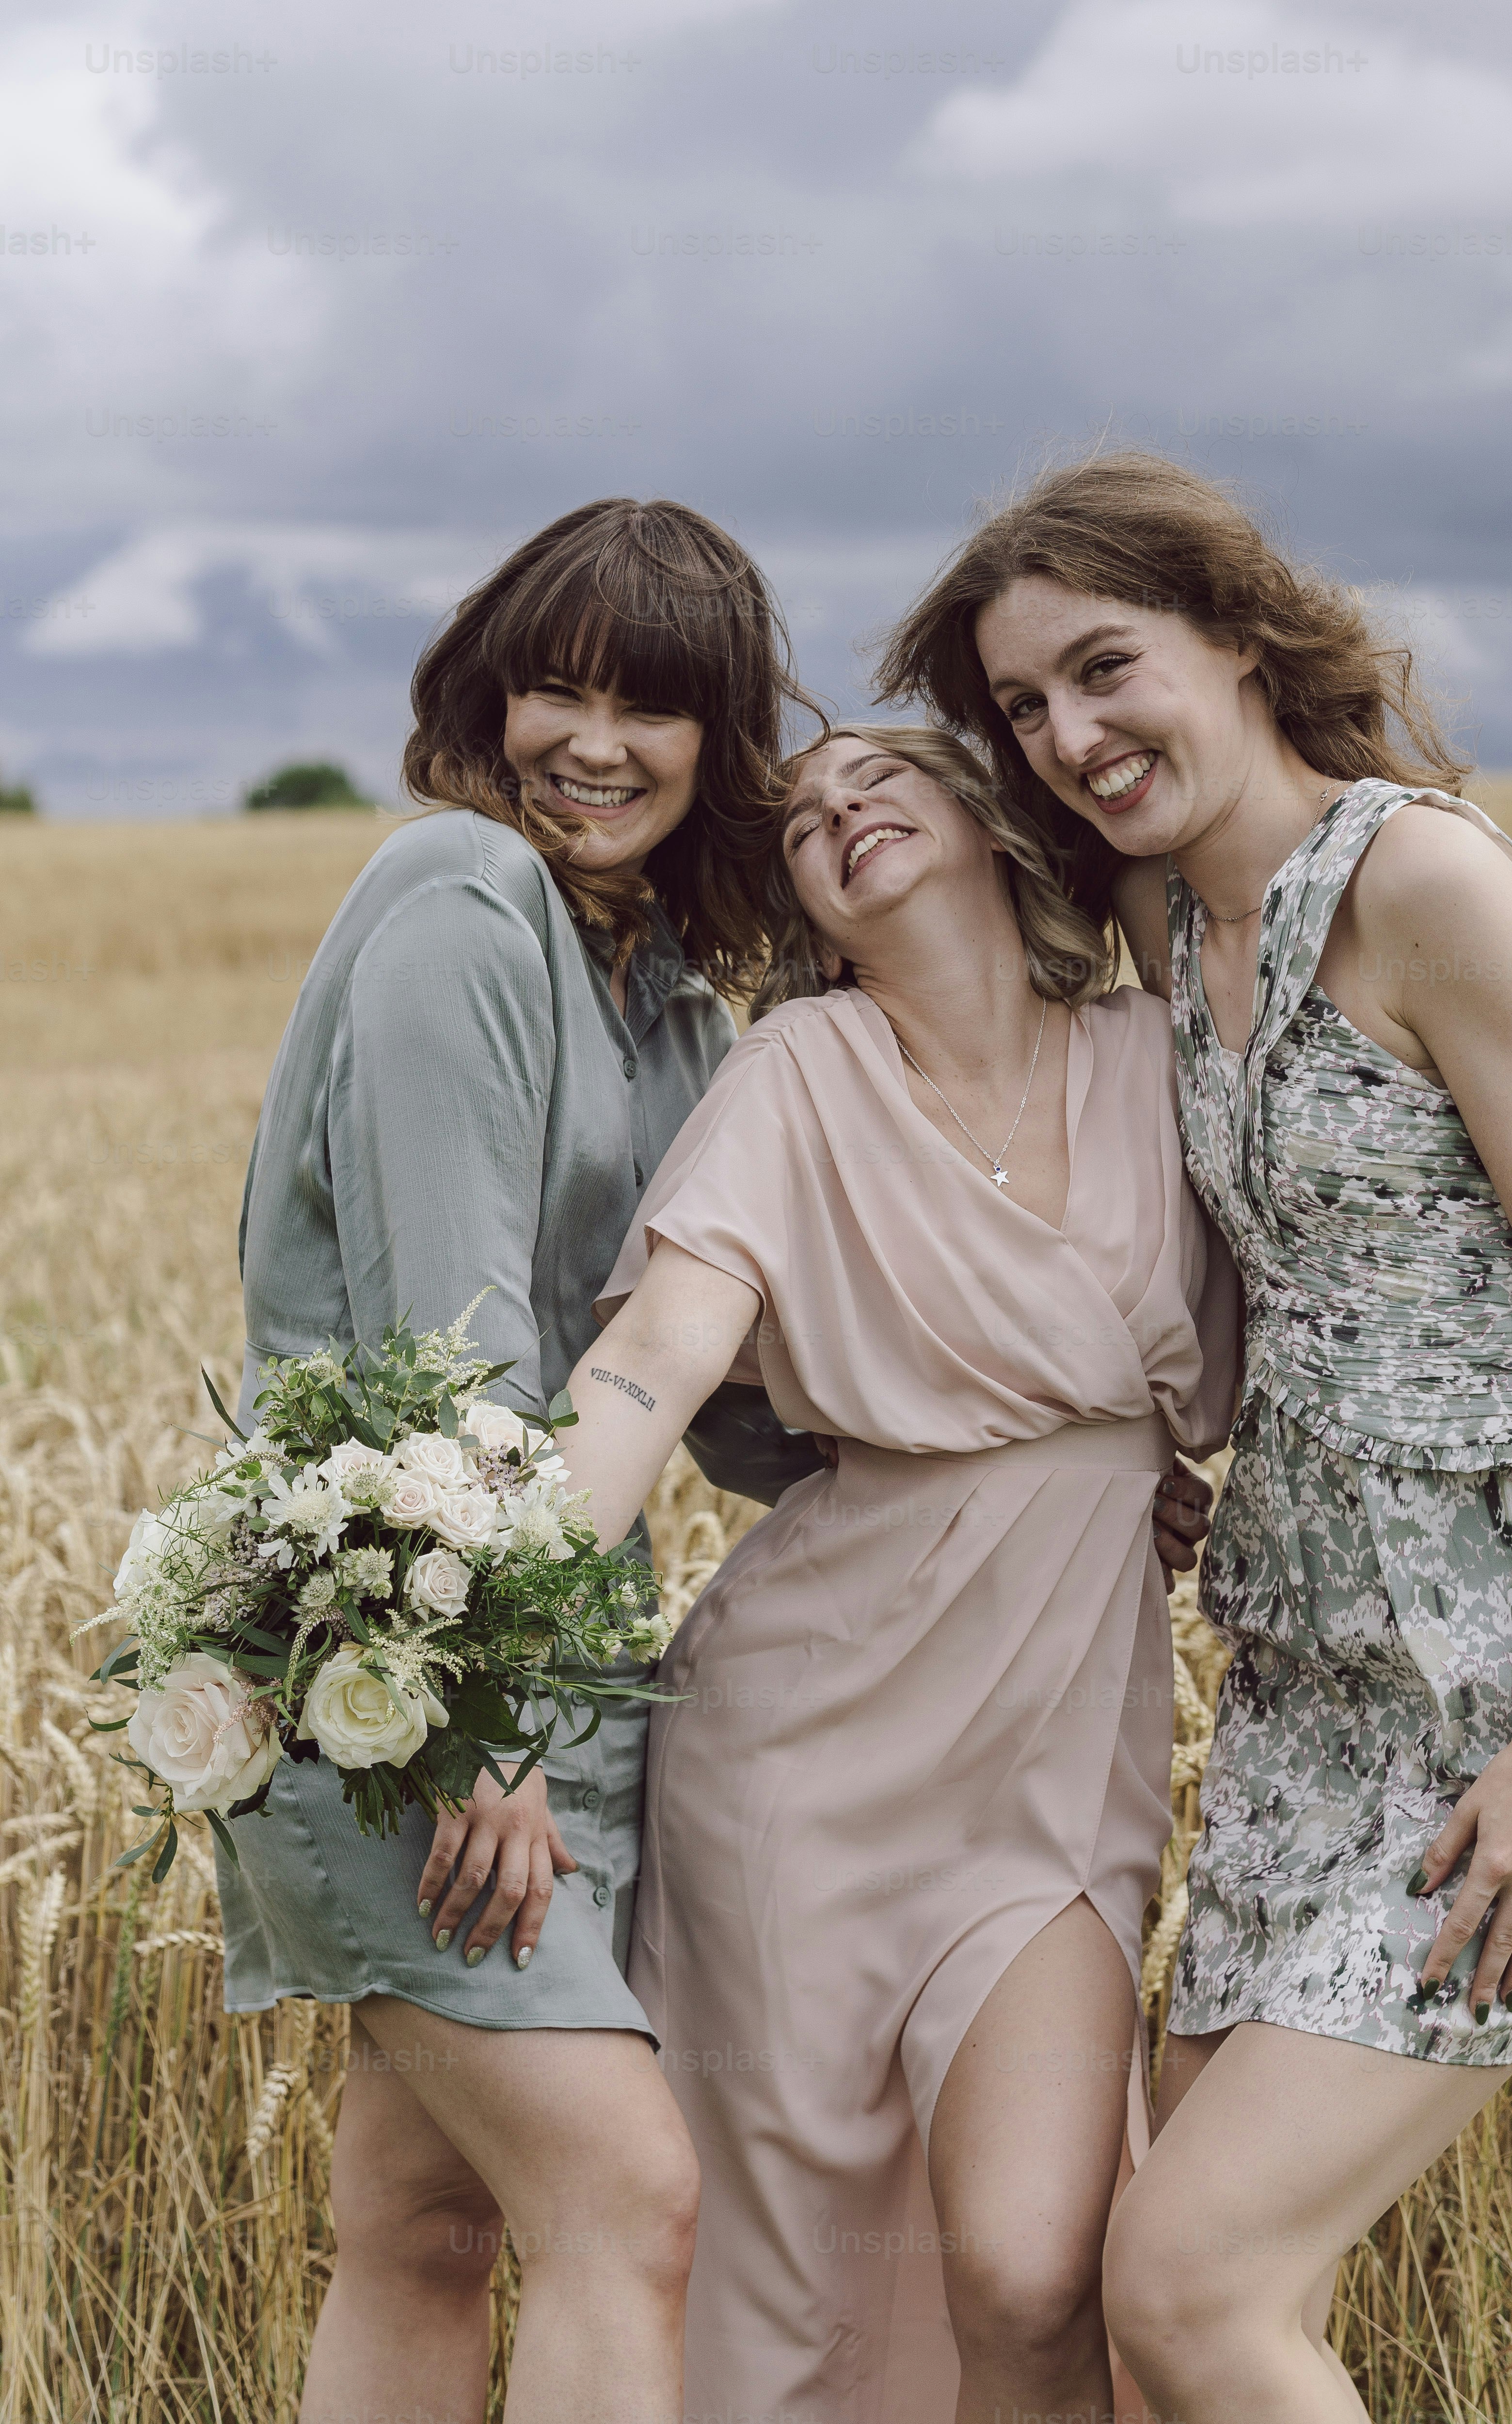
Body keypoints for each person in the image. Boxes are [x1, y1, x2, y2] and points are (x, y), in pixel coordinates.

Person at [878, 450, 1512, 2423]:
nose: (1069, 736)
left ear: (1240, 638)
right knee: (1164, 2298)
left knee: (1191, 2287)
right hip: (1304, 1691)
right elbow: (1293, 1258)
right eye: (1022, 707)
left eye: (1105, 668)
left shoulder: (1420, 881)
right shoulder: (1177, 920)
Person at [551, 722, 1241, 2424]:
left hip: (1055, 1766)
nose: (839, 809)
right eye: (799, 822)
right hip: (798, 1760)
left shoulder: (1161, 1055)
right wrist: (485, 1589)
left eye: (881, 775)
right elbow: (656, 1355)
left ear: (990, 813)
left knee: (1032, 2270)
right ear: (804, 909)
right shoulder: (798, 1071)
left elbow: (1320, 1325)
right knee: (791, 2296)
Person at [217, 498, 826, 2424]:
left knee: (418, 2225)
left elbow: (711, 1400)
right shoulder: (469, 897)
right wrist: (474, 1723)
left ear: (719, 744)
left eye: (648, 704)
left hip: (550, 1678)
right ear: (485, 699)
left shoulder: (669, 1002)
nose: (591, 739)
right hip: (416, 1672)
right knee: (625, 2199)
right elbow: (442, 1347)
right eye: (552, 685)